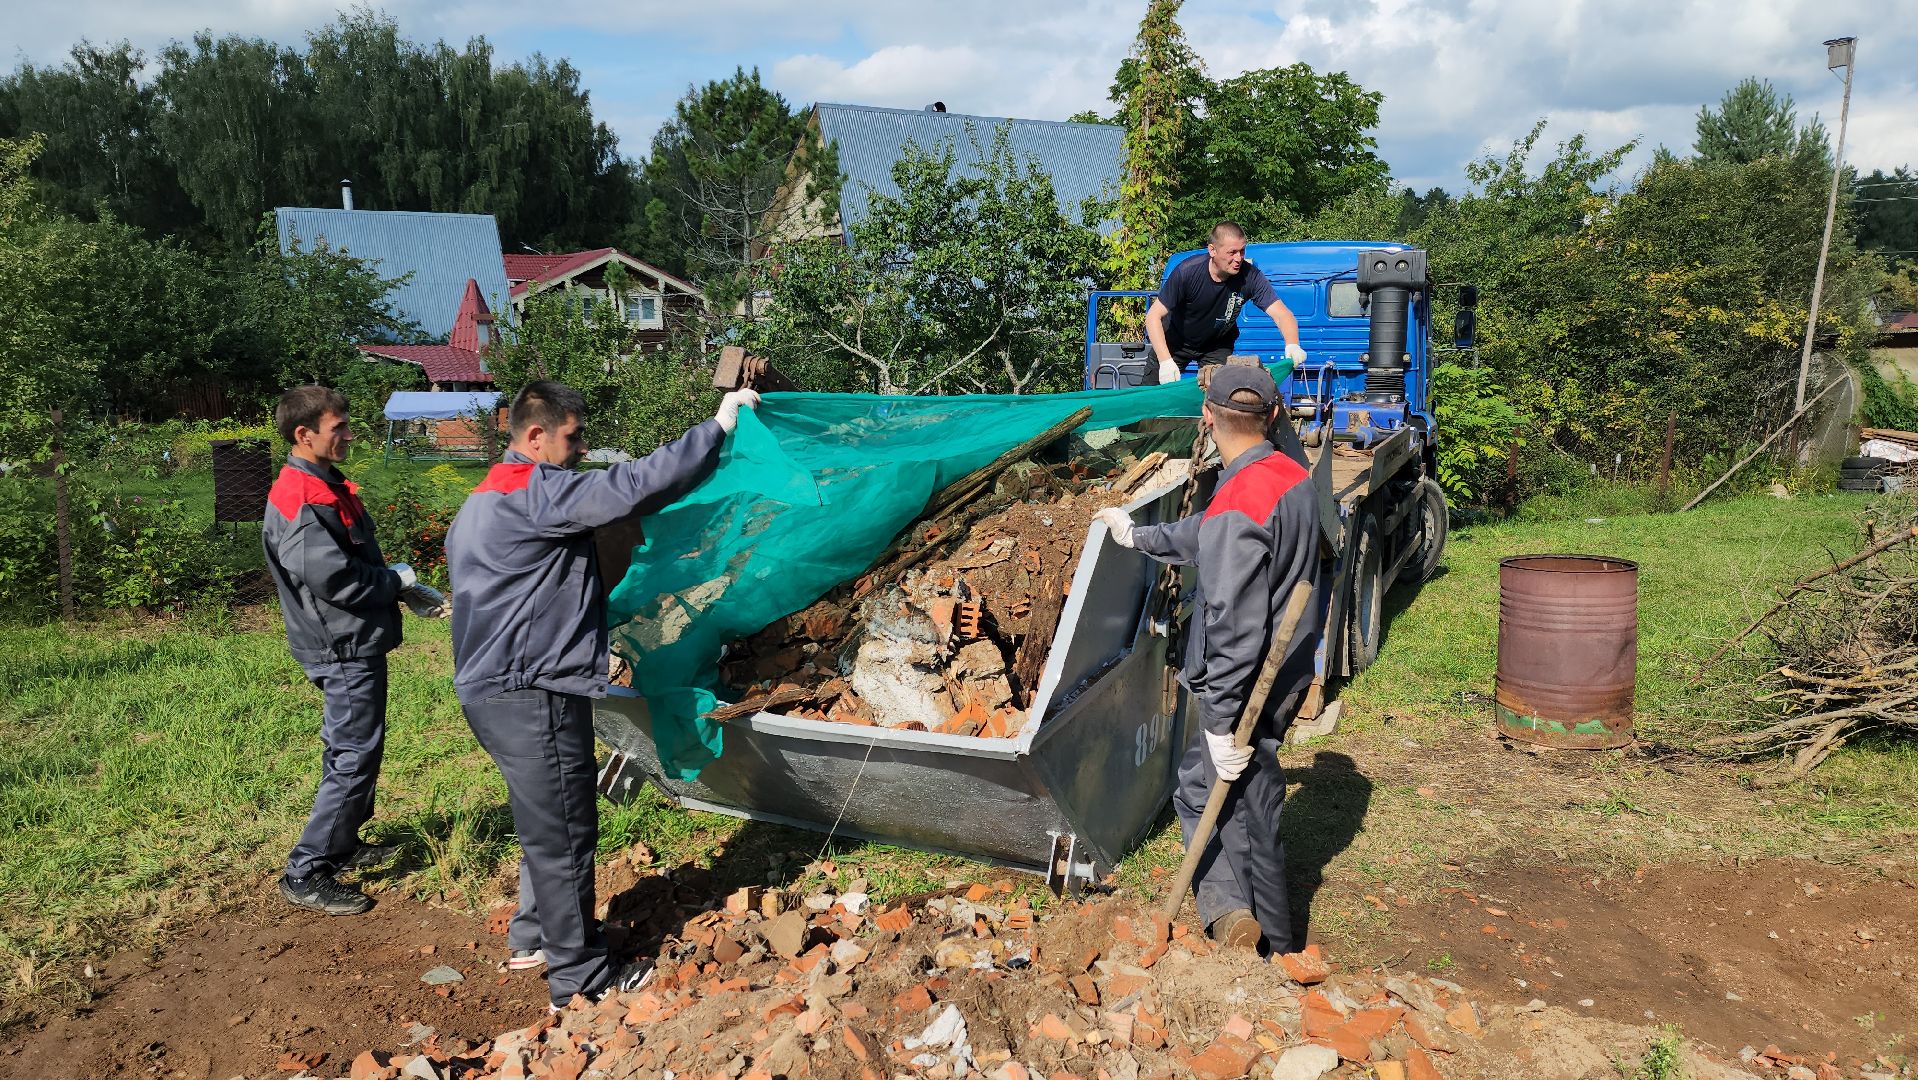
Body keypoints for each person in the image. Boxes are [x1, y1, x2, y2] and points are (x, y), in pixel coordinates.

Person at [445, 379, 758, 1010]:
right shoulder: (537, 492)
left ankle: (534, 936)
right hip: (532, 692)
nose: (582, 448)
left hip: (491, 688)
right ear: (536, 436)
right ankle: (579, 977)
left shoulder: (484, 497)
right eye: (574, 435)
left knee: (542, 820)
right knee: (564, 830)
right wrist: (717, 428)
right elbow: (632, 486)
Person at [1095, 365, 1320, 952]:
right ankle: (1249, 921)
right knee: (1243, 792)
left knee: (1224, 797)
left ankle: (1259, 934)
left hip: (1248, 680)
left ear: (1207, 416)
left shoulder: (1241, 497)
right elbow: (1210, 531)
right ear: (1274, 416)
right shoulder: (1287, 474)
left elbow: (1233, 625)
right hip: (1285, 664)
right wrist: (1140, 537)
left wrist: (1219, 721)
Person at [264, 385, 446, 916]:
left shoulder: (325, 484)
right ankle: (306, 870)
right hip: (339, 645)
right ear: (304, 434)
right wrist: (395, 582)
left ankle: (342, 845)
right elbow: (336, 579)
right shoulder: (302, 496)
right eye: (338, 426)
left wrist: (397, 587)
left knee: (353, 747)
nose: (348, 433)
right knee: (353, 754)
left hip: (351, 639)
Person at [1146, 221, 1307, 385]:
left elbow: (1282, 314)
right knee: (1150, 395)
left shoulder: (1251, 276)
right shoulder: (1187, 272)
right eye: (1232, 252)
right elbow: (1153, 316)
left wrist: (1293, 344)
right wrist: (1165, 361)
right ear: (1212, 250)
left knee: (1219, 393)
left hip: (1216, 346)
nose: (1239, 258)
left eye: (1242, 251)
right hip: (1175, 341)